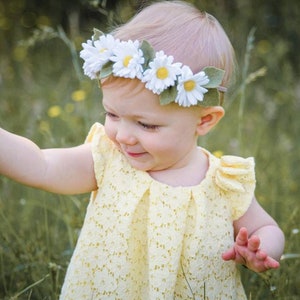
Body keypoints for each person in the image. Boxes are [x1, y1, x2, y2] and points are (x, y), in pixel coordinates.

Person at [0, 1, 285, 299]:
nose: (123, 135)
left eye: (146, 125)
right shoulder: (108, 159)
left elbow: (267, 227)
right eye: (111, 115)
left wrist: (260, 249)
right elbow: (41, 165)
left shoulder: (224, 182)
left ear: (204, 120)